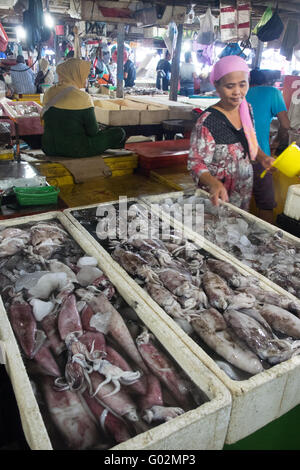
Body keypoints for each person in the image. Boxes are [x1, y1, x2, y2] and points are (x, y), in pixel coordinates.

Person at [188, 55, 275, 211]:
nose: (237, 92)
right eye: (230, 86)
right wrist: (214, 183)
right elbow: (195, 163)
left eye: (243, 85)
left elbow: (249, 143)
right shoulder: (208, 122)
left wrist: (264, 158)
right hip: (216, 197)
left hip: (241, 193)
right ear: (217, 86)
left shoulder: (246, 109)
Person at [41, 58, 126, 158]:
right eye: (84, 75)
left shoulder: (48, 92)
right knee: (119, 133)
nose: (86, 79)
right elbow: (93, 131)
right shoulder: (83, 97)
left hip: (49, 147)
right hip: (76, 149)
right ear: (76, 74)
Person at [246, 68, 290, 223]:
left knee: (234, 204)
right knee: (265, 205)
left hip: (235, 159)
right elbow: (285, 124)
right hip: (261, 159)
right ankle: (266, 244)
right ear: (265, 81)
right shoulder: (272, 92)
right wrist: (276, 142)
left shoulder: (238, 94)